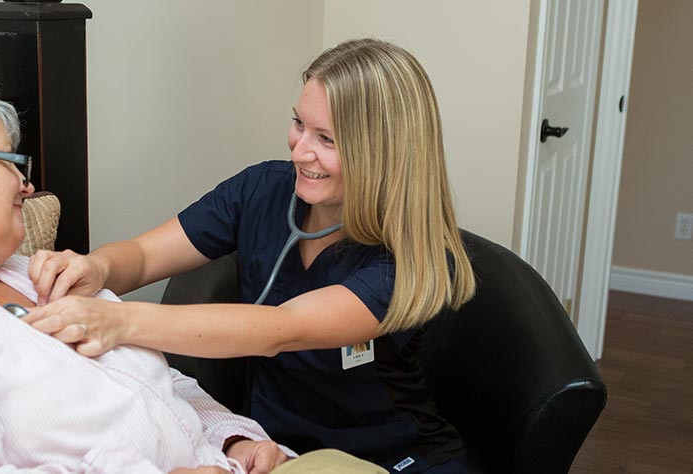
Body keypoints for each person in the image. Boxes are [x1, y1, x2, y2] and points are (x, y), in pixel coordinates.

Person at [0, 61, 293, 474]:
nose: (27, 184)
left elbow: (159, 386)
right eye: (11, 161)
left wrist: (233, 439)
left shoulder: (32, 275)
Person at [24, 39, 475, 473]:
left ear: (384, 155)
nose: (300, 150)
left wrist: (117, 321)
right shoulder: (261, 191)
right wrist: (95, 267)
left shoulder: (407, 259)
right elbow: (143, 256)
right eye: (299, 123)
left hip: (390, 458)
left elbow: (279, 330)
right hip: (277, 451)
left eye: (327, 139)